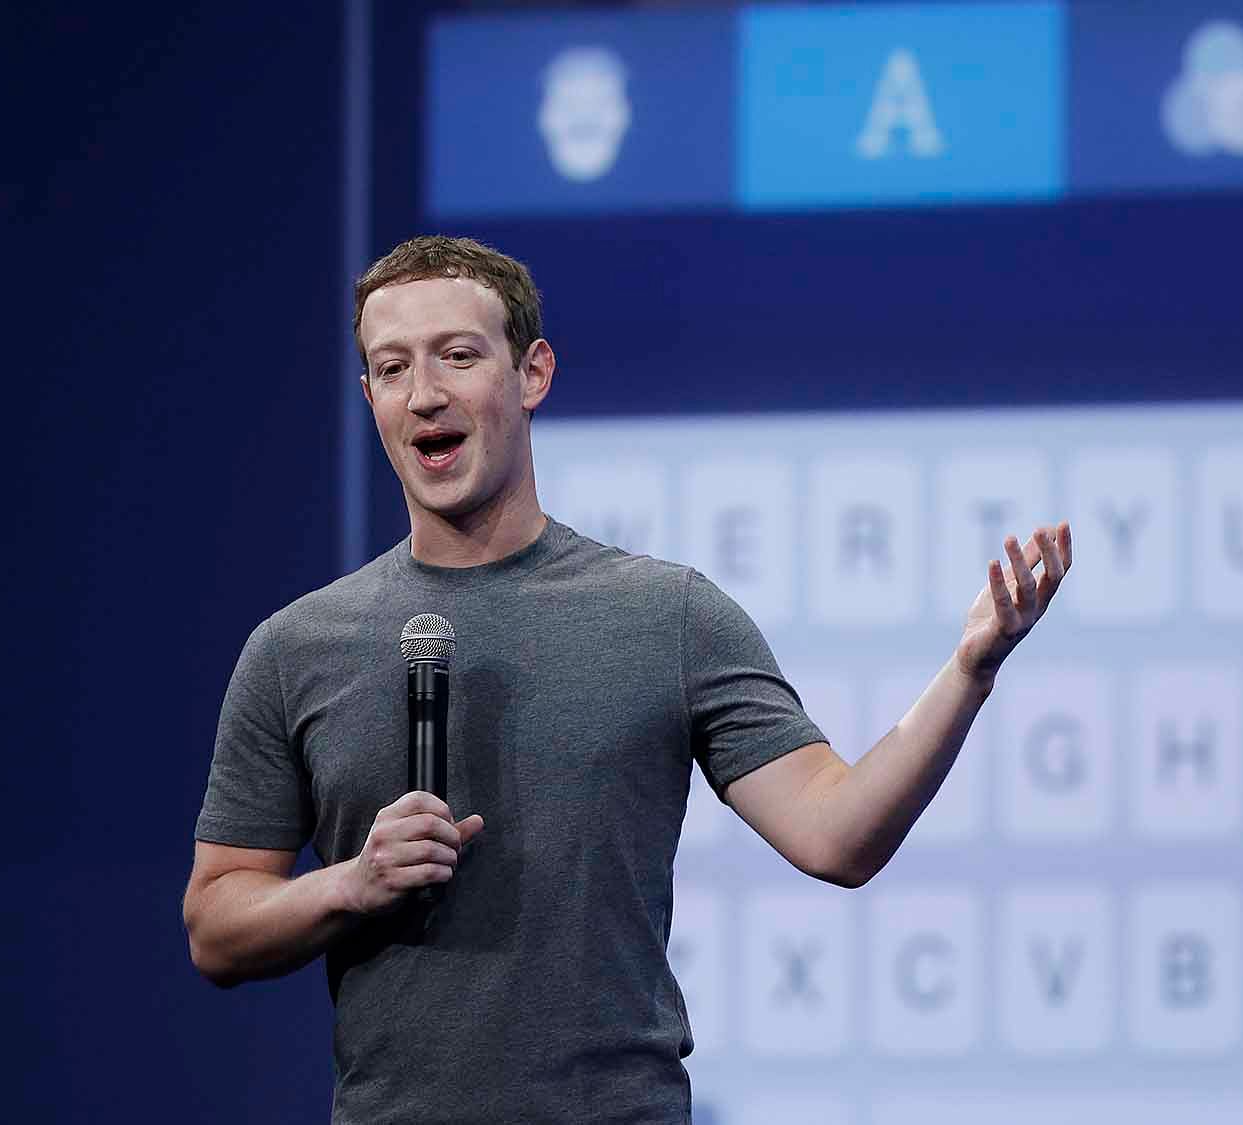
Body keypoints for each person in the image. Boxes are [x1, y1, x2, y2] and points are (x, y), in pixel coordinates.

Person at [182, 235, 1074, 1123]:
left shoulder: (669, 615)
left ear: (533, 373)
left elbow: (838, 835)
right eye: (392, 367)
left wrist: (969, 671)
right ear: (370, 395)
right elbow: (217, 924)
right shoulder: (296, 647)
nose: (426, 394)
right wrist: (348, 883)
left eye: (459, 355)